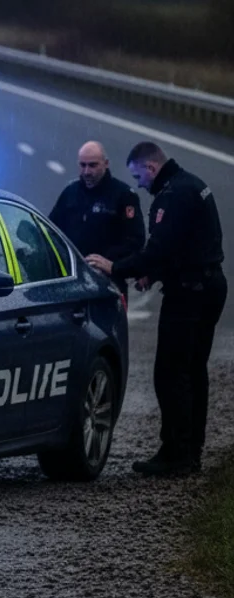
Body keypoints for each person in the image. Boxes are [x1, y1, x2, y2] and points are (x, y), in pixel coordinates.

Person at [85, 142, 226, 477]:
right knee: (193, 371)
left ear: (151, 168)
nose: (139, 184)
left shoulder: (172, 195)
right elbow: (184, 245)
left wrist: (116, 267)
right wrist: (155, 273)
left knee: (170, 373)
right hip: (208, 284)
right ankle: (190, 451)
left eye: (139, 177)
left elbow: (159, 249)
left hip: (189, 293)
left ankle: (176, 453)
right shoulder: (190, 184)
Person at [48, 141, 145, 294]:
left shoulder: (123, 196)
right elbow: (51, 231)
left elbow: (135, 241)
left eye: (93, 165)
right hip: (71, 279)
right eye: (82, 165)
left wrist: (109, 262)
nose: (86, 171)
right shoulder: (70, 193)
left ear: (106, 164)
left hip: (107, 282)